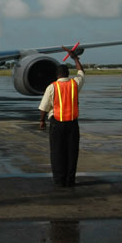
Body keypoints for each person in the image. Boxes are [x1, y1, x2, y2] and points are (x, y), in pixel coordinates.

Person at [39, 47, 85, 187]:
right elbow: (81, 72)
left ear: (57, 75)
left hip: (57, 124)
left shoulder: (52, 87)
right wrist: (75, 58)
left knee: (57, 153)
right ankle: (70, 180)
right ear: (67, 74)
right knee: (72, 153)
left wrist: (41, 120)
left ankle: (59, 181)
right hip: (72, 124)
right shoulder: (74, 84)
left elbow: (43, 107)